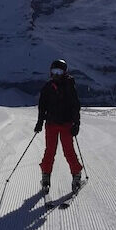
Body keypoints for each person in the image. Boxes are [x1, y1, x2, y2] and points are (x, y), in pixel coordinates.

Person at [34, 59, 83, 193]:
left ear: (64, 72)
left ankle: (76, 174)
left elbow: (75, 106)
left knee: (68, 151)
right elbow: (42, 106)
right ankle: (46, 176)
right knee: (50, 151)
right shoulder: (48, 87)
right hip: (51, 124)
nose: (56, 74)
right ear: (50, 72)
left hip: (66, 124)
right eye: (54, 71)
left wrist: (76, 123)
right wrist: (40, 121)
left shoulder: (69, 86)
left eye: (59, 71)